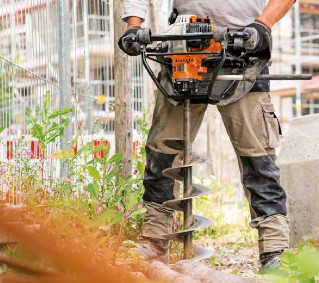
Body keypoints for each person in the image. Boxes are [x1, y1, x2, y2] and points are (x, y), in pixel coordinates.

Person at [118, 0, 295, 272]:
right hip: (181, 45)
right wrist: (134, 26)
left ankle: (273, 251)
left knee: (258, 156)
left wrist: (263, 25)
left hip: (244, 47)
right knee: (163, 151)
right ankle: (155, 240)